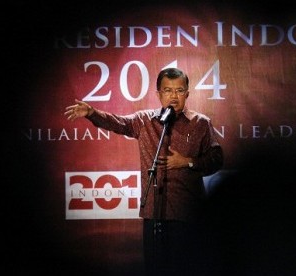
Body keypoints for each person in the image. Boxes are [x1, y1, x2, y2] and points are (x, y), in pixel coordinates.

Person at [64, 67, 223, 275]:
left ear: (187, 94)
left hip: (188, 214)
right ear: (158, 94)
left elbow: (217, 159)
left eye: (179, 90)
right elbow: (118, 122)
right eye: (167, 90)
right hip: (154, 214)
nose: (173, 96)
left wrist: (188, 162)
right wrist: (92, 113)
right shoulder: (145, 121)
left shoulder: (200, 123)